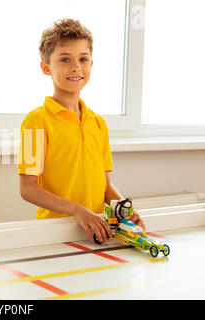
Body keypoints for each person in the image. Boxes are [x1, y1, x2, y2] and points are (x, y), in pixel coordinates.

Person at [18, 18, 145, 244]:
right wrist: (76, 210)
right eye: (65, 59)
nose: (76, 67)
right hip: (54, 234)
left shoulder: (98, 123)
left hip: (98, 230)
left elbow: (105, 185)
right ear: (46, 67)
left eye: (83, 59)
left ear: (91, 65)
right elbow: (28, 189)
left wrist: (126, 210)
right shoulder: (35, 121)